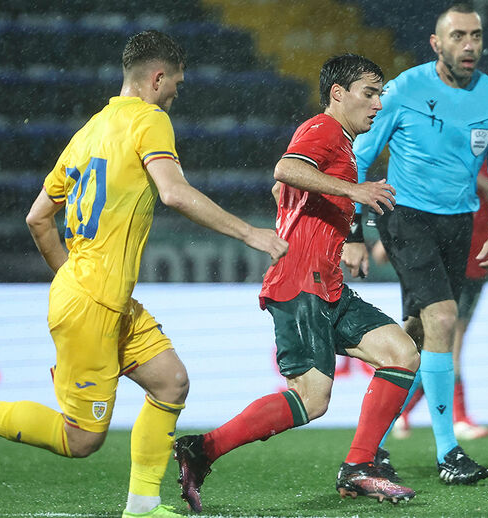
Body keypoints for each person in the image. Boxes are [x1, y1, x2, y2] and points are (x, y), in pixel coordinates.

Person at [0, 30, 288, 518]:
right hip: (91, 300)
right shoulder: (150, 120)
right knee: (80, 439)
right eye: (177, 84)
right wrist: (250, 233)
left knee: (171, 383)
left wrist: (73, 278)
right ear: (157, 77)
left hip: (100, 296)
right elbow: (173, 192)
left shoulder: (88, 132)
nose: (175, 94)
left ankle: (143, 506)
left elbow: (38, 218)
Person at [172, 53, 420, 513]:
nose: (378, 105)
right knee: (312, 398)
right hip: (299, 282)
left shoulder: (342, 145)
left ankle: (360, 467)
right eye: (370, 93)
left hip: (328, 285)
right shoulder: (323, 128)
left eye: (381, 95)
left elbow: (288, 189)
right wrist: (353, 191)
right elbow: (285, 170)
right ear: (338, 94)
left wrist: (343, 234)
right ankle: (201, 450)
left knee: (401, 353)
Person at [350, 3, 488, 485]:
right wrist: (354, 230)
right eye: (459, 36)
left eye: (477, 36)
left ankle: (370, 448)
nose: (470, 45)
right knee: (444, 317)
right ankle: (449, 453)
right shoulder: (403, 89)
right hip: (404, 215)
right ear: (436, 43)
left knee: (417, 336)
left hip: (459, 222)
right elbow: (360, 156)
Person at [390, 164, 488, 441]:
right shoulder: (452, 159)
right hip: (450, 266)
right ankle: (457, 418)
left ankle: (401, 411)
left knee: (436, 347)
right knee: (446, 345)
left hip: (474, 268)